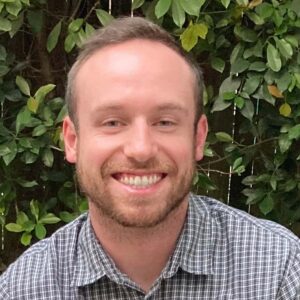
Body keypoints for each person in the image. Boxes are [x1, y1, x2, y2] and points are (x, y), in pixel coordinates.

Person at [0, 17, 299, 299]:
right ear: (72, 141)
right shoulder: (23, 289)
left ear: (198, 137)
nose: (141, 149)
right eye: (113, 122)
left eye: (165, 122)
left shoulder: (279, 272)